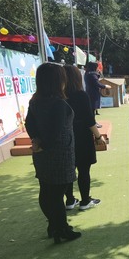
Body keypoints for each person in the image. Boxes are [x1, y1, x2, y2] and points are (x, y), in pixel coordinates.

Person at [24, 63, 81, 243]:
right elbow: (56, 132)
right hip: (59, 154)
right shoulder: (58, 104)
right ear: (57, 81)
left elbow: (29, 124)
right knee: (57, 195)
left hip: (42, 154)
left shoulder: (35, 101)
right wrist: (44, 145)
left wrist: (36, 142)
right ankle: (61, 229)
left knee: (46, 191)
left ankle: (54, 225)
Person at [63, 65, 105, 211]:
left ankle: (69, 200)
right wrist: (98, 136)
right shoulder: (81, 95)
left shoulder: (59, 96)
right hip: (82, 136)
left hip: (65, 137)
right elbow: (89, 120)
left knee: (69, 169)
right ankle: (85, 201)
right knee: (83, 170)